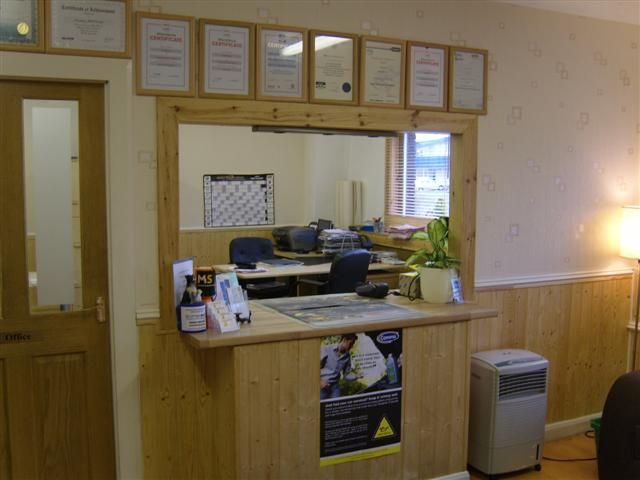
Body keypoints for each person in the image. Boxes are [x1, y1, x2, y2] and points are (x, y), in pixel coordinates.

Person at [320, 333, 360, 399]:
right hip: (322, 386)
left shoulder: (347, 357)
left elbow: (346, 376)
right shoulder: (326, 349)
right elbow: (313, 368)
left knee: (337, 407)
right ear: (344, 340)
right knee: (320, 407)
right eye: (351, 344)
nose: (351, 347)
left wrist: (356, 376)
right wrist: (320, 382)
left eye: (352, 344)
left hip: (335, 387)